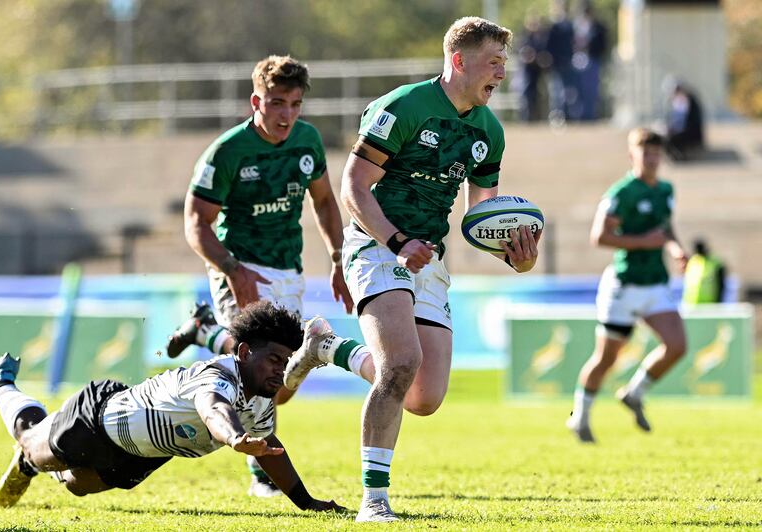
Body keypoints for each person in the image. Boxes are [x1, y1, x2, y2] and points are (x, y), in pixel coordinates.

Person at [284, 17, 541, 522]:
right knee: (400, 363)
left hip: (428, 255)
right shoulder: (402, 107)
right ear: (458, 60)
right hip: (378, 245)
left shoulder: (489, 129)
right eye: (494, 62)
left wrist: (514, 254)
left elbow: (479, 218)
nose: (502, 74)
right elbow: (354, 187)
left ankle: (325, 347)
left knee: (423, 397)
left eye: (504, 64)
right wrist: (397, 241)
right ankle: (374, 501)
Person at [165, 55, 366, 497]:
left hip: (287, 270)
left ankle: (205, 330)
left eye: (295, 104)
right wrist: (234, 270)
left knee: (279, 382)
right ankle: (262, 470)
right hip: (240, 267)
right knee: (255, 371)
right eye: (277, 103)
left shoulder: (308, 141)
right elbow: (196, 222)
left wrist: (338, 258)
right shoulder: (228, 151)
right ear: (256, 100)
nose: (287, 114)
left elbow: (326, 203)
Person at [0, 301, 344, 513]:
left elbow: (271, 451)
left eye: (287, 361)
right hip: (102, 417)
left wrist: (306, 503)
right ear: (245, 353)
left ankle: (46, 455)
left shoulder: (261, 400)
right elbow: (213, 408)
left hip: (146, 454)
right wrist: (235, 439)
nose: (282, 370)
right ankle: (0, 383)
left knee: (77, 485)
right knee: (33, 445)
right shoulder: (217, 375)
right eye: (275, 359)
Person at [567, 128, 689, 444]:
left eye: (656, 153)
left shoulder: (665, 190)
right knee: (606, 359)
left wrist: (675, 248)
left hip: (654, 284)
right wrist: (643, 242)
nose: (651, 159)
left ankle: (634, 393)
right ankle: (580, 417)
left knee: (677, 346)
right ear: (631, 155)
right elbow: (599, 237)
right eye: (645, 153)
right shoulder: (622, 192)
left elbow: (665, 227)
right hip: (623, 286)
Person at [665, 82, 705, 161]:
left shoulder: (683, 100)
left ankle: (677, 156)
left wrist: (671, 128)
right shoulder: (688, 98)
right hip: (693, 130)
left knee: (669, 138)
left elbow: (681, 121)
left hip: (691, 131)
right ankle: (677, 154)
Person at [682, 238, 725, 304]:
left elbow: (721, 283)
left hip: (709, 303)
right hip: (691, 303)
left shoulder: (715, 263)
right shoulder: (692, 261)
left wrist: (718, 301)